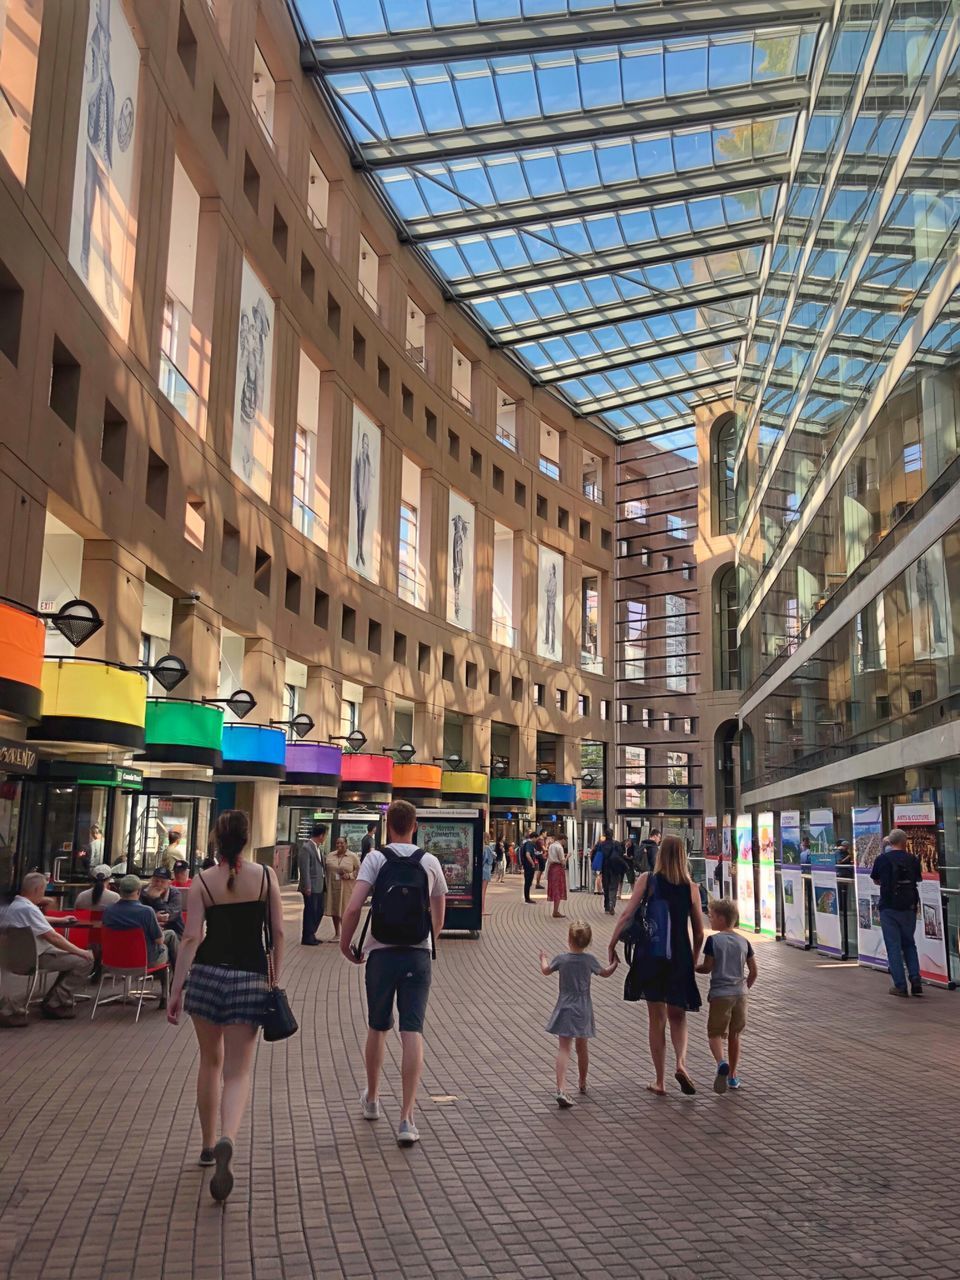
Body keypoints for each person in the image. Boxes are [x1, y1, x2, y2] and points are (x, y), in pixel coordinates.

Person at [167, 810, 284, 1202]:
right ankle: (227, 1138)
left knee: (208, 1062)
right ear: (248, 839)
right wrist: (274, 978)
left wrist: (176, 987)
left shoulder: (202, 881)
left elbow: (189, 938)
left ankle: (204, 1145)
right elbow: (279, 933)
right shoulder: (266, 877)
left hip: (207, 976)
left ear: (217, 838)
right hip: (250, 978)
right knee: (237, 1071)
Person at [339, 799, 447, 1147]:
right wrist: (432, 937)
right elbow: (439, 908)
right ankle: (407, 1118)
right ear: (415, 825)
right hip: (417, 955)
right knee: (412, 1030)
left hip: (380, 954)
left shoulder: (375, 858)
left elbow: (354, 906)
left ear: (389, 827)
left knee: (378, 1026)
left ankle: (372, 1098)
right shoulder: (429, 861)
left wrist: (346, 944)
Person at [609, 834, 705, 1097]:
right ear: (684, 856)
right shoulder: (691, 888)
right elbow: (698, 932)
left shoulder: (648, 880)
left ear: (660, 854)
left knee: (656, 1018)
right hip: (680, 955)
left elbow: (628, 913)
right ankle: (681, 1063)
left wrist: (612, 943)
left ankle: (660, 1080)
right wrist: (694, 958)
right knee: (678, 1015)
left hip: (651, 954)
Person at [539, 922, 618, 1107]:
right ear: (588, 942)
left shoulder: (561, 959)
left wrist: (543, 958)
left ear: (568, 939)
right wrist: (614, 963)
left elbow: (545, 970)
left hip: (565, 1006)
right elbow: (605, 973)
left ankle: (561, 1088)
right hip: (583, 1007)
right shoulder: (589, 960)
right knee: (582, 1047)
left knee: (564, 1048)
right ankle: (582, 1082)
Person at [0, 872, 94, 1024]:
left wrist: (59, 919)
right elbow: (53, 938)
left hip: (15, 957)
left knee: (76, 957)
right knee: (84, 961)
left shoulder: (14, 906)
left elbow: (36, 919)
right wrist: (80, 951)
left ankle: (55, 999)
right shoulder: (29, 909)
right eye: (43, 890)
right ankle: (56, 1001)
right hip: (36, 956)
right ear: (37, 890)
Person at [695, 899, 757, 1093]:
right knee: (735, 1035)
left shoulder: (714, 940)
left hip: (721, 994)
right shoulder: (744, 941)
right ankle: (733, 1076)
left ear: (721, 919)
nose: (710, 920)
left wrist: (693, 968)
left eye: (711, 917)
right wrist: (745, 986)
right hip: (740, 994)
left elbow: (708, 967)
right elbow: (754, 971)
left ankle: (721, 1062)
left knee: (714, 1033)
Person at [103, 876, 173, 1007]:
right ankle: (167, 992)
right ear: (138, 892)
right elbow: (159, 940)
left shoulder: (109, 910)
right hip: (142, 961)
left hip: (112, 960)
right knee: (166, 945)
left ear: (119, 891)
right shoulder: (146, 912)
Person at [870, 828, 923, 997]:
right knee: (909, 943)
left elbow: (876, 879)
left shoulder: (882, 859)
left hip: (889, 908)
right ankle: (915, 979)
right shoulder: (913, 859)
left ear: (889, 842)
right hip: (909, 907)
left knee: (893, 946)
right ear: (905, 842)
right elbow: (918, 879)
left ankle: (900, 986)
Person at [140, 866, 184, 965]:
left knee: (171, 936)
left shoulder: (175, 894)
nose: (158, 884)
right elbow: (139, 912)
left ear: (169, 883)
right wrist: (154, 916)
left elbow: (169, 916)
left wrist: (156, 899)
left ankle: (180, 971)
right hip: (150, 932)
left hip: (175, 931)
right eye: (156, 881)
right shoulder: (143, 892)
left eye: (162, 882)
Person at [325, 836, 360, 941]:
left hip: (347, 888)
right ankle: (337, 934)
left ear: (346, 844)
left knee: (345, 911)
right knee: (335, 910)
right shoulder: (330, 855)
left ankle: (345, 935)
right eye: (337, 843)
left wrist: (350, 876)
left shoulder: (353, 856)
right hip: (333, 887)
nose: (339, 845)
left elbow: (359, 870)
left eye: (341, 843)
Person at [297, 822, 326, 945]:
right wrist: (307, 886)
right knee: (310, 911)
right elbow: (304, 869)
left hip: (319, 885)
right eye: (325, 835)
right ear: (321, 835)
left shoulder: (318, 848)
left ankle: (312, 933)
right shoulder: (306, 847)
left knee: (319, 910)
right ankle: (307, 936)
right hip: (311, 886)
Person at [596, 826, 625, 914]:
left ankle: (607, 907)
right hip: (615, 869)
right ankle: (612, 904)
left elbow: (598, 856)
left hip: (605, 868)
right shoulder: (616, 844)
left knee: (606, 887)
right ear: (612, 835)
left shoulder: (601, 844)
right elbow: (621, 855)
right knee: (613, 887)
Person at [546, 835, 568, 919]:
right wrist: (567, 857)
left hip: (552, 868)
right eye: (565, 840)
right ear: (562, 839)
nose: (565, 842)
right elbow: (562, 861)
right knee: (559, 888)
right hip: (558, 869)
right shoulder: (559, 847)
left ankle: (555, 910)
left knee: (554, 887)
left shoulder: (551, 845)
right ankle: (555, 911)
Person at [519, 829, 538, 904]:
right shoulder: (529, 844)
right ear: (534, 837)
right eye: (536, 838)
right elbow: (527, 854)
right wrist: (533, 863)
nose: (536, 840)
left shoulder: (526, 843)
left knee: (527, 881)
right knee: (528, 881)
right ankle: (527, 898)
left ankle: (527, 897)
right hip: (529, 866)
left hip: (526, 865)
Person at [481, 833, 495, 914]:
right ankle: (483, 909)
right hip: (486, 870)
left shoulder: (481, 847)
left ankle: (481, 909)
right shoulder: (487, 848)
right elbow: (489, 859)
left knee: (481, 890)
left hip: (481, 870)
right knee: (483, 891)